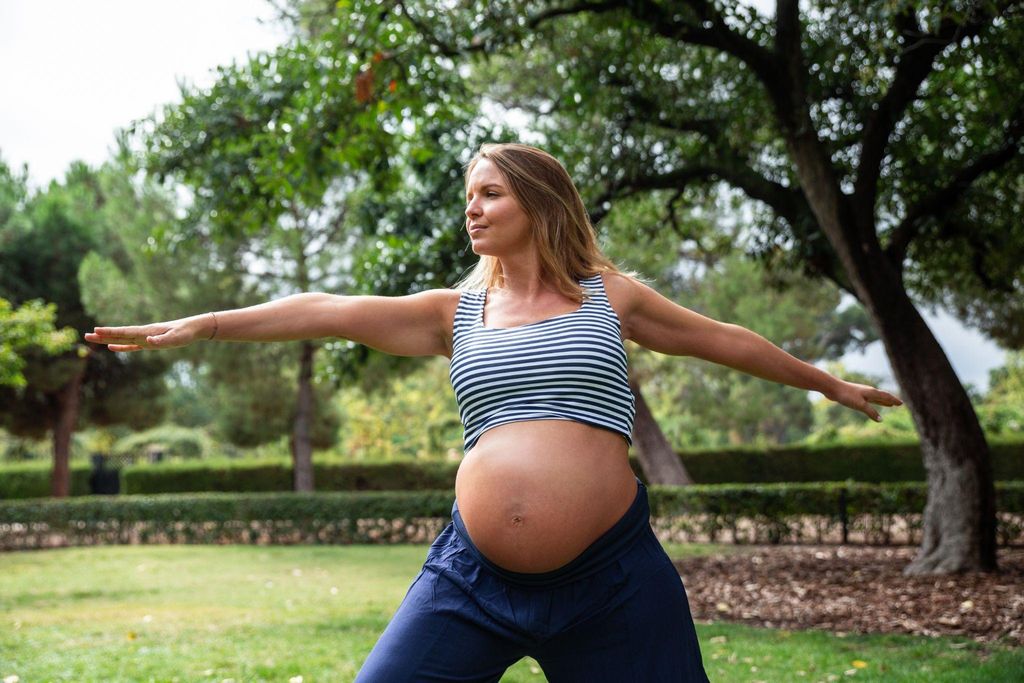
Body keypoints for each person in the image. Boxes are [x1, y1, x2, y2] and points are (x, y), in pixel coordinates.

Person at [86, 142, 902, 681]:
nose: (472, 209)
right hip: (471, 578)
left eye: (489, 193)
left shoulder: (608, 298)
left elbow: (722, 337)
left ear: (538, 202)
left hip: (612, 580)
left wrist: (826, 383)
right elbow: (328, 307)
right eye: (468, 197)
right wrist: (208, 325)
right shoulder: (453, 312)